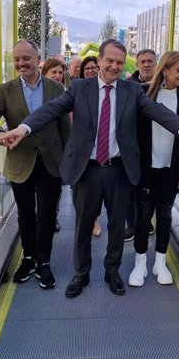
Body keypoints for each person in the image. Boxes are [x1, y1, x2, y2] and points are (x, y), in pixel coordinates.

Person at [0, 39, 179, 299]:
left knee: (117, 226)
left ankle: (112, 272)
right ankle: (81, 273)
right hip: (88, 169)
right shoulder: (80, 89)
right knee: (83, 225)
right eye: (110, 61)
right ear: (100, 61)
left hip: (119, 169)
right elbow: (51, 110)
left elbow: (157, 110)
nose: (115, 67)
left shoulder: (132, 91)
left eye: (119, 62)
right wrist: (23, 128)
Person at [0, 40, 71, 289]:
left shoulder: (56, 88)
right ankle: (28, 258)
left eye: (25, 58)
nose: (20, 64)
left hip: (51, 161)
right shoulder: (5, 90)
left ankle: (44, 262)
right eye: (16, 59)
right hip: (20, 161)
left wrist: (69, 162)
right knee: (26, 213)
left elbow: (66, 128)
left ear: (37, 58)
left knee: (47, 214)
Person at [129, 51, 179, 287]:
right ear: (165, 70)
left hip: (171, 167)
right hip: (147, 166)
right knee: (143, 216)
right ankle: (139, 263)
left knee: (165, 215)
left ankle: (160, 261)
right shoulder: (144, 94)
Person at [126, 48, 158, 241]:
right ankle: (131, 224)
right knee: (130, 188)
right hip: (132, 146)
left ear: (156, 64)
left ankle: (146, 221)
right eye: (143, 62)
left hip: (155, 147)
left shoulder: (163, 86)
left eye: (150, 62)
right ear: (137, 65)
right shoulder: (128, 86)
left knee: (150, 187)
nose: (146, 65)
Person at [42, 57, 68, 233]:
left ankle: (53, 216)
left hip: (55, 150)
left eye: (60, 72)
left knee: (54, 188)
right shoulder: (38, 92)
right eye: (54, 72)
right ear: (44, 73)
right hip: (34, 150)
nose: (57, 76)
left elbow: (66, 126)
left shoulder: (64, 92)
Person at [78, 55, 102, 237]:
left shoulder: (111, 92)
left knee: (97, 195)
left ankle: (94, 219)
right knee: (80, 195)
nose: (90, 71)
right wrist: (25, 128)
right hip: (79, 155)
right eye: (87, 69)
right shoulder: (76, 89)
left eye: (93, 67)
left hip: (102, 157)